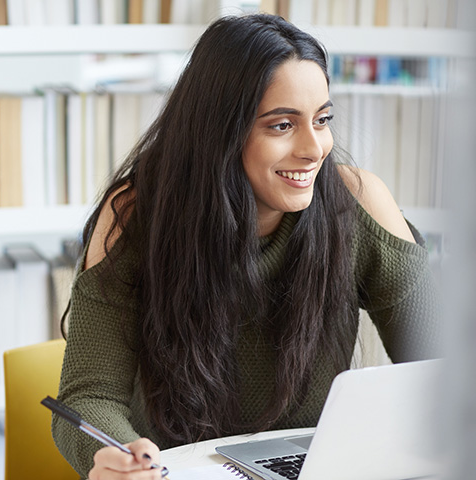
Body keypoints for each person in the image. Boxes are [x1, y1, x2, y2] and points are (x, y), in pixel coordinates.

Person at [52, 13, 441, 480]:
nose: (314, 148)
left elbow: (442, 367)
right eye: (281, 125)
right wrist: (112, 456)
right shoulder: (136, 215)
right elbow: (89, 395)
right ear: (220, 130)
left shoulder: (358, 201)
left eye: (322, 120)